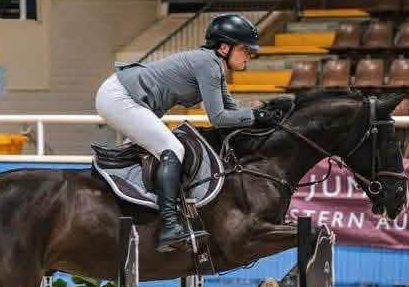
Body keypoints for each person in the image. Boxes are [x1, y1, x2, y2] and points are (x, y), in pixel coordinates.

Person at [95, 13, 285, 252]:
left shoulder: (215, 65)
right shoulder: (208, 64)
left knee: (159, 148)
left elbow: (230, 112)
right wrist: (256, 116)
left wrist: (260, 115)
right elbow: (217, 118)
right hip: (120, 97)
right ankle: (169, 226)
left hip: (126, 95)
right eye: (246, 49)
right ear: (225, 47)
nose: (250, 54)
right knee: (172, 148)